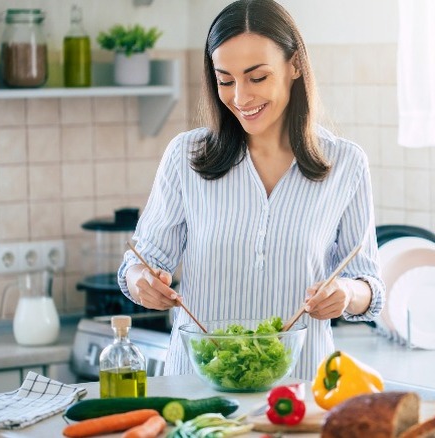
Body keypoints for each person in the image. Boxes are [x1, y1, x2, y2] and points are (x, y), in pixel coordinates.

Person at [117, 0, 384, 380]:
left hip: (298, 393)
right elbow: (138, 263)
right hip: (199, 390)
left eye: (257, 78)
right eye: (226, 80)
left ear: (295, 65)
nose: (240, 98)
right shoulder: (185, 156)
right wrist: (141, 282)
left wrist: (347, 293)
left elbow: (370, 285)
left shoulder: (346, 164)